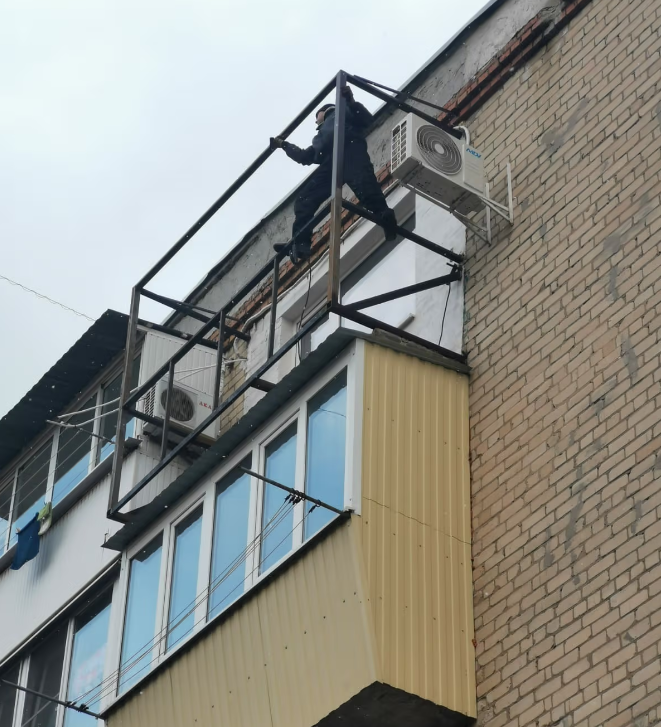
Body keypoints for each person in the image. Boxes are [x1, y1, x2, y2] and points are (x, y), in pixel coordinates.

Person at [271, 86, 398, 263]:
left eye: (317, 117)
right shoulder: (322, 135)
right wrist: (285, 145)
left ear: (324, 112)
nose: (316, 122)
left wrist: (351, 101)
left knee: (365, 187)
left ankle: (385, 216)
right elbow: (305, 157)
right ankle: (300, 242)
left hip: (349, 149)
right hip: (332, 161)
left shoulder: (342, 111)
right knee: (306, 199)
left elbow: (367, 120)